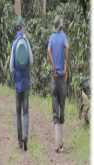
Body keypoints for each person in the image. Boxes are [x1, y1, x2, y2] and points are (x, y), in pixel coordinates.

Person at [10, 16, 33, 151]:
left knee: (18, 111)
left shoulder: (14, 44)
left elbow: (11, 67)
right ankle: (25, 136)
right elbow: (31, 60)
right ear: (22, 27)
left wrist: (16, 75)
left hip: (17, 83)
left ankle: (19, 139)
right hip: (26, 82)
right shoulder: (26, 41)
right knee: (26, 111)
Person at [47, 15, 69, 153]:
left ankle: (57, 144)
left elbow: (48, 50)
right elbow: (68, 47)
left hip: (54, 76)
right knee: (62, 108)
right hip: (62, 77)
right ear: (61, 25)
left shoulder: (52, 38)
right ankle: (60, 143)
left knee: (55, 108)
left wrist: (53, 66)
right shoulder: (63, 37)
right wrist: (66, 65)